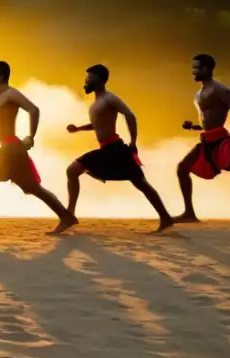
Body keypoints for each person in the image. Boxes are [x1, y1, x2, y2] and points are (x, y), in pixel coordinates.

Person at [0, 61, 76, 235]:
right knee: (33, 188)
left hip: (12, 148)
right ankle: (66, 216)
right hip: (11, 150)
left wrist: (31, 136)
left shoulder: (11, 94)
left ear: (0, 76)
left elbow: (34, 110)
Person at [65, 64, 174, 232]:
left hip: (115, 149)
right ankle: (166, 218)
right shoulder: (96, 103)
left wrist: (133, 142)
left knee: (73, 170)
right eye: (86, 78)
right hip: (108, 149)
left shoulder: (109, 99)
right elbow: (97, 125)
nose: (86, 82)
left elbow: (129, 115)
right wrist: (78, 129)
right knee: (140, 183)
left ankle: (69, 215)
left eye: (89, 78)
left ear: (100, 80)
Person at [173, 54, 230, 230]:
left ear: (207, 69)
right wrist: (194, 127)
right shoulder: (198, 93)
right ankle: (189, 213)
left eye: (197, 67)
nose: (193, 71)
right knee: (182, 168)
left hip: (222, 142)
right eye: (193, 67)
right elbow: (207, 121)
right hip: (207, 139)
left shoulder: (221, 90)